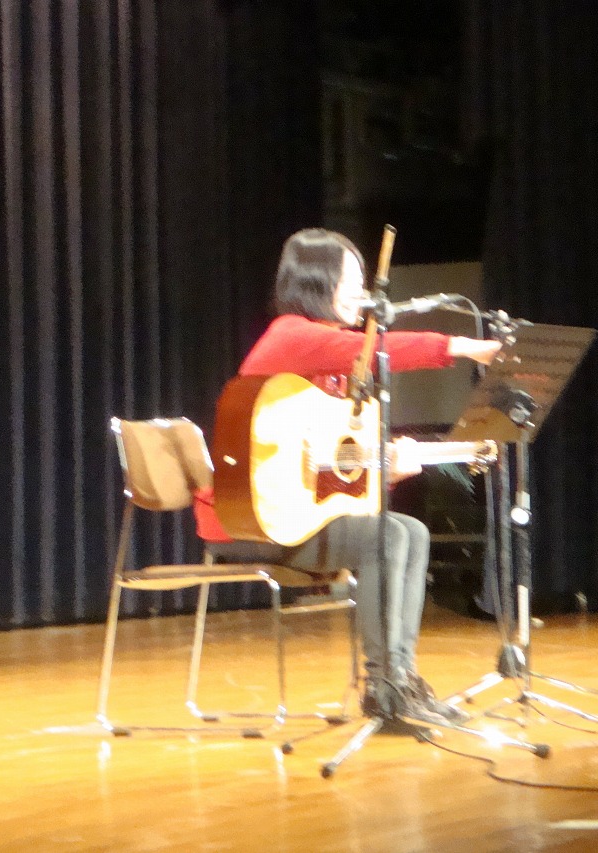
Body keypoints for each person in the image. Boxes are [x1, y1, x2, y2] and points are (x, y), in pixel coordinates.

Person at [194, 227, 501, 725]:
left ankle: (398, 679)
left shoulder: (332, 368)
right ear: (318, 283)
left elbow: (331, 480)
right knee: (387, 538)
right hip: (249, 519)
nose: (364, 294)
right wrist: (463, 347)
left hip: (290, 516)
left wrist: (386, 471)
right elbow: (381, 350)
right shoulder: (292, 337)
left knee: (411, 531)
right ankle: (385, 686)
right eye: (353, 281)